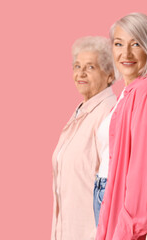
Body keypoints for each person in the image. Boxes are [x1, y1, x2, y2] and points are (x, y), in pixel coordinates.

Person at [95, 13, 147, 240]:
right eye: (119, 44)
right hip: (111, 200)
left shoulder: (146, 92)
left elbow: (145, 167)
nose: (125, 53)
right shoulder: (131, 91)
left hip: (126, 213)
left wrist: (128, 229)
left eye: (136, 44)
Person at [51, 36, 116, 240]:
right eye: (77, 66)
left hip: (91, 232)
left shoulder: (109, 113)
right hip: (67, 229)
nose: (81, 73)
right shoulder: (81, 111)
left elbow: (110, 185)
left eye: (90, 67)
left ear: (110, 74)